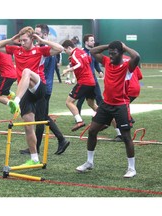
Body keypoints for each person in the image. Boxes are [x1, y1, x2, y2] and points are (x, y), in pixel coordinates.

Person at [0, 26, 64, 165]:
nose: (22, 43)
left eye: (25, 40)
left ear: (32, 39)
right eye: (20, 40)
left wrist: (41, 40)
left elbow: (60, 49)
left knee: (26, 71)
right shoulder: (16, 49)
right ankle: (34, 159)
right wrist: (12, 40)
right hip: (26, 91)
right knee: (28, 125)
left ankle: (16, 101)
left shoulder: (40, 50)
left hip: (39, 86)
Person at [76, 41, 140, 178]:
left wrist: (124, 47)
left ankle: (131, 168)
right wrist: (109, 46)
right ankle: (89, 162)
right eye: (109, 54)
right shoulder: (107, 62)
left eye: (114, 53)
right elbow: (93, 52)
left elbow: (137, 56)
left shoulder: (127, 66)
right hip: (106, 104)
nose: (110, 56)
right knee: (92, 131)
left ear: (121, 53)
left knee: (126, 137)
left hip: (121, 105)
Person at [19, 24, 70, 155]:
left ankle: (43, 146)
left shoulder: (43, 51)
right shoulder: (42, 50)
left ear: (45, 35)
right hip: (41, 86)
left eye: (37, 33)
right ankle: (59, 140)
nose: (35, 35)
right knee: (42, 116)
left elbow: (41, 71)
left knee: (41, 118)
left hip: (43, 88)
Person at [61, 39, 98, 132]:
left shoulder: (74, 54)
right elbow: (88, 61)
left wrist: (67, 70)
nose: (65, 52)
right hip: (92, 81)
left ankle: (79, 121)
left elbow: (79, 64)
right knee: (91, 103)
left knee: (69, 102)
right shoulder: (82, 51)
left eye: (65, 50)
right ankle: (105, 118)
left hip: (84, 82)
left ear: (69, 48)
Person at [113, 55, 143, 142]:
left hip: (127, 89)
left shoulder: (116, 61)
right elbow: (139, 76)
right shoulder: (130, 59)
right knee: (123, 107)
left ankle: (121, 134)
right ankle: (129, 118)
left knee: (116, 109)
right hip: (136, 88)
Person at [76, 34, 104, 114]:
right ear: (86, 42)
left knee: (99, 97)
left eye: (93, 40)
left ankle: (103, 116)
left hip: (93, 79)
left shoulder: (94, 52)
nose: (93, 42)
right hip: (84, 80)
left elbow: (95, 64)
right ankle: (78, 118)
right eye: (91, 40)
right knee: (81, 99)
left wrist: (100, 71)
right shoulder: (81, 52)